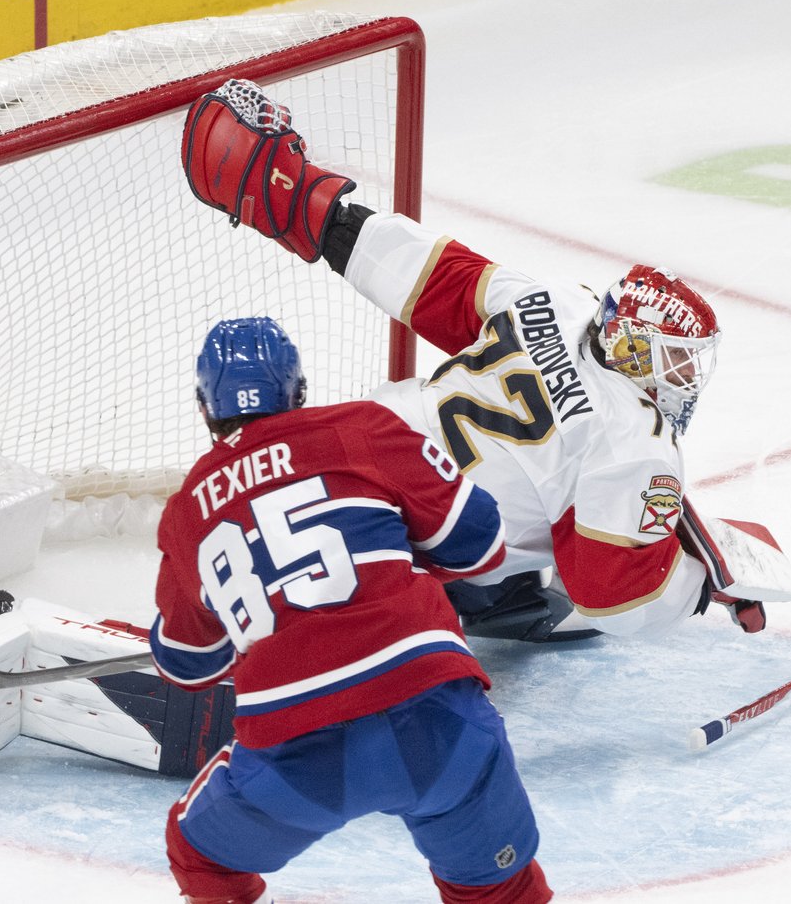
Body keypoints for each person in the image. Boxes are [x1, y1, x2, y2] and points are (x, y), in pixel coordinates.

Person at [183, 78, 789, 644]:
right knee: (339, 608)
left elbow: (434, 279)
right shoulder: (637, 442)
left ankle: (481, 593)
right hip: (410, 529)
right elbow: (614, 597)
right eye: (678, 362)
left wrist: (323, 214)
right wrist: (700, 587)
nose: (684, 379)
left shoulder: (559, 303)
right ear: (635, 352)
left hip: (357, 431)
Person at [157, 317, 552, 902]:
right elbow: (482, 542)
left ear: (203, 407)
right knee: (499, 888)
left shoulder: (187, 510)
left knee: (201, 858)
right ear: (299, 392)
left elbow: (188, 665)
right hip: (437, 716)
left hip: (298, 753)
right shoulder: (361, 427)